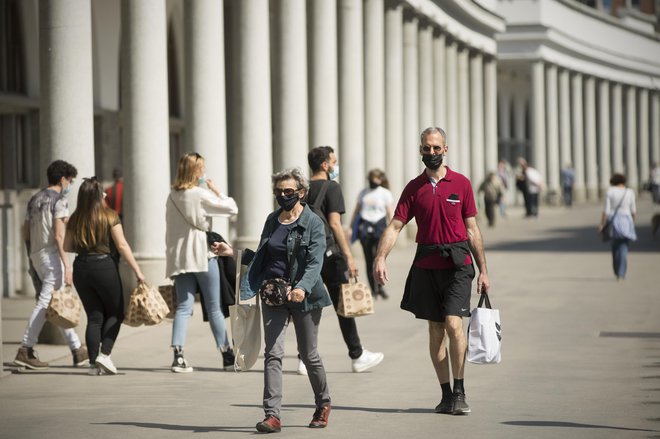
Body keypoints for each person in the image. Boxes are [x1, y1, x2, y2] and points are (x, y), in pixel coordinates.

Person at [373, 127, 490, 416]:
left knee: (453, 324)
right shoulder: (414, 188)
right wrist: (380, 257)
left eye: (437, 148)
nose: (432, 153)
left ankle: (460, 391)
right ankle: (446, 394)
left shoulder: (460, 184)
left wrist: (484, 270)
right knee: (436, 329)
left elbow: (473, 229)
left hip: (458, 264)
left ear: (445, 149)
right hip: (426, 263)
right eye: (427, 148)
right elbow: (396, 225)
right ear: (421, 150)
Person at [240, 168, 332, 433]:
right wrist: (234, 253)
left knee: (308, 354)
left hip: (306, 297)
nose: (283, 196)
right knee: (273, 353)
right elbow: (263, 255)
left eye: (288, 192)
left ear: (301, 193)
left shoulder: (313, 223)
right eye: (279, 192)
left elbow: (315, 263)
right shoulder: (272, 220)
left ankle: (323, 403)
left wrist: (301, 287)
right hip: (274, 293)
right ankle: (272, 415)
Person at [302, 146, 384, 375]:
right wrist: (348, 255)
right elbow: (335, 223)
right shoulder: (332, 187)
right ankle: (357, 355)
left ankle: (303, 357)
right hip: (330, 254)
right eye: (334, 161)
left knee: (307, 306)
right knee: (343, 304)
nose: (336, 166)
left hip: (308, 255)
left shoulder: (303, 188)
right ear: (325, 165)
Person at [64, 177, 145, 375]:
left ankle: (93, 364)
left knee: (94, 316)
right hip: (104, 266)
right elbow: (122, 245)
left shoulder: (75, 219)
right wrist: (138, 271)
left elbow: (67, 247)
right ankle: (104, 354)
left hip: (81, 268)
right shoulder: (109, 215)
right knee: (116, 312)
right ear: (99, 195)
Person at [165, 152, 238, 373]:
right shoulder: (200, 194)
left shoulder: (171, 196)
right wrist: (215, 189)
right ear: (196, 171)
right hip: (203, 256)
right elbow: (231, 208)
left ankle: (178, 355)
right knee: (214, 307)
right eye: (202, 169)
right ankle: (226, 354)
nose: (204, 172)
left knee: (184, 308)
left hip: (181, 258)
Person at [14, 160, 89, 370]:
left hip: (37, 255)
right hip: (52, 256)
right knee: (46, 302)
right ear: (63, 179)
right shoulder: (60, 201)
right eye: (70, 180)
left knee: (54, 304)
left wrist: (31, 255)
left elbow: (26, 232)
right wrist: (68, 265)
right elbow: (58, 235)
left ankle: (77, 350)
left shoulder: (34, 199)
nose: (70, 185)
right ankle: (25, 349)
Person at [349, 169, 394, 299]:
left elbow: (390, 212)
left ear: (380, 179)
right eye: (371, 179)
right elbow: (356, 210)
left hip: (379, 226)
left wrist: (392, 229)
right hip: (365, 226)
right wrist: (351, 227)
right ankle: (373, 289)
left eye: (376, 179)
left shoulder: (385, 193)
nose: (373, 181)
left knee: (378, 257)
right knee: (368, 259)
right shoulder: (363, 193)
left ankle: (380, 287)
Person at [598, 173, 637, 281]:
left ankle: (617, 270)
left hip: (613, 221)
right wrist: (632, 222)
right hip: (626, 220)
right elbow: (633, 210)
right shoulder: (629, 192)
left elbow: (606, 210)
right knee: (623, 247)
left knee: (615, 247)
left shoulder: (610, 192)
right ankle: (621, 272)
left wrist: (602, 224)